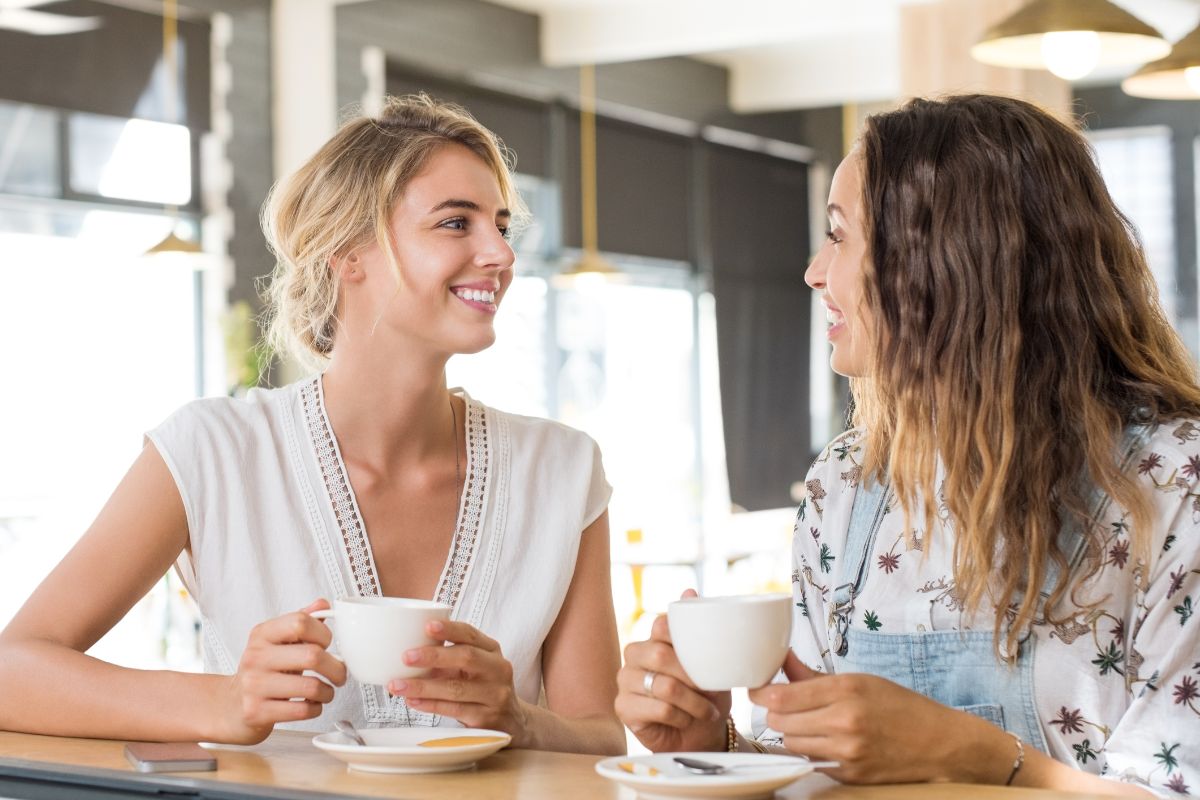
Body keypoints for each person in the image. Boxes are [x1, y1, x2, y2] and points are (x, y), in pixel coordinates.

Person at [0, 94, 625, 755]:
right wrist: (223, 701)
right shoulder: (212, 452)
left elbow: (602, 738)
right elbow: (13, 670)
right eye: (455, 223)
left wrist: (520, 721)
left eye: (501, 225)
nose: (501, 253)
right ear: (348, 253)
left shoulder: (563, 471)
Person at [616, 93, 1200, 796]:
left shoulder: (1171, 487)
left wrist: (979, 757)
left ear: (946, 260)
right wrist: (717, 743)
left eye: (839, 235)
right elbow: (810, 767)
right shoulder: (846, 483)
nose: (813, 272)